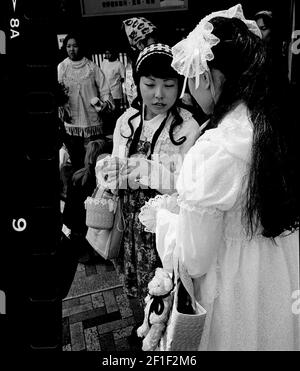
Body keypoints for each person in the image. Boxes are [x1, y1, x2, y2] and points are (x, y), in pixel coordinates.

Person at [147, 4, 299, 351]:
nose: (191, 88)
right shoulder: (275, 125)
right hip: (280, 274)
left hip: (234, 288)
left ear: (212, 77)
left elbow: (193, 257)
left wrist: (164, 220)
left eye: (192, 76)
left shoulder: (216, 147)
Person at [96, 43, 201, 306]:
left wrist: (148, 172)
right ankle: (143, 326)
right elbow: (117, 167)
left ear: (180, 85)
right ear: (137, 82)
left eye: (168, 84)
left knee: (166, 285)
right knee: (135, 278)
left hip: (165, 224)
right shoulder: (126, 120)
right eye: (150, 84)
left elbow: (185, 188)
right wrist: (107, 172)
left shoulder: (186, 127)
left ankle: (163, 337)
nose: (158, 95)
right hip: (128, 220)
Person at [57, 32, 114, 171]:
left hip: (92, 119)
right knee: (76, 157)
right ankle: (78, 182)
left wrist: (105, 104)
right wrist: (61, 106)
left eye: (75, 46)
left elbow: (105, 90)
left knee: (95, 156)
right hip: (72, 120)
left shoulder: (92, 67)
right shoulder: (62, 67)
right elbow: (57, 90)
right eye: (68, 46)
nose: (71, 49)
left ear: (81, 47)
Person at [63, 139, 112, 263]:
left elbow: (69, 212)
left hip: (81, 236)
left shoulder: (77, 177)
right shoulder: (111, 181)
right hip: (104, 237)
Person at [102, 49, 126, 133]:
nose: (107, 55)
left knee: (115, 112)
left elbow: (123, 77)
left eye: (109, 53)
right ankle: (109, 130)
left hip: (115, 92)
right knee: (106, 111)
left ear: (114, 54)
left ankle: (117, 129)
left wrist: (116, 83)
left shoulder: (119, 64)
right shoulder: (104, 62)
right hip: (105, 92)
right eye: (106, 53)